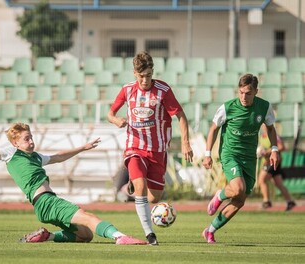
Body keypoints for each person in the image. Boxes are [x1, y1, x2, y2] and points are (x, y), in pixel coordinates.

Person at [0, 123, 146, 245]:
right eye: (26, 139)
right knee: (89, 217)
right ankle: (120, 237)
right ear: (15, 142)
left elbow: (59, 156)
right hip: (47, 202)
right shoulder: (10, 153)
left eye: (31, 137)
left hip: (44, 205)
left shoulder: (35, 156)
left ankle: (47, 236)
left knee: (85, 235)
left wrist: (82, 147)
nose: (30, 141)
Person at [107, 51, 193, 245]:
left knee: (154, 197)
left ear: (152, 71)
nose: (145, 80)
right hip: (134, 147)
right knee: (141, 186)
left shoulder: (163, 90)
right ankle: (150, 234)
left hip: (157, 150)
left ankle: (129, 187)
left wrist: (186, 143)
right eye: (141, 76)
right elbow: (110, 113)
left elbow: (181, 116)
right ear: (134, 73)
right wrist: (115, 120)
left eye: (148, 75)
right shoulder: (128, 90)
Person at [202, 73, 280, 244]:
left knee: (240, 199)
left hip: (249, 157)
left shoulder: (264, 107)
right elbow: (213, 129)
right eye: (241, 92)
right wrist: (207, 154)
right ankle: (219, 195)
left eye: (248, 93)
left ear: (256, 92)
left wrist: (274, 149)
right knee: (237, 189)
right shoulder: (228, 107)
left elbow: (271, 128)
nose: (244, 97)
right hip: (230, 154)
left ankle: (210, 230)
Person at [257, 124, 296, 211]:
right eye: (262, 124)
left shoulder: (274, 136)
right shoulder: (261, 137)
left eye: (265, 124)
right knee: (277, 183)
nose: (264, 126)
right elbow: (262, 150)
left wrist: (268, 151)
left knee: (261, 180)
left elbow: (282, 147)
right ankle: (290, 202)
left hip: (274, 162)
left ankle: (266, 202)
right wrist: (262, 152)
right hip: (268, 162)